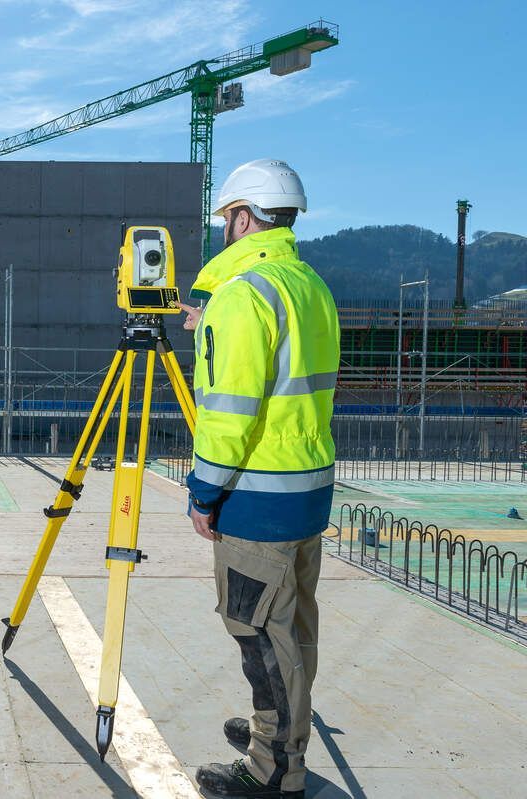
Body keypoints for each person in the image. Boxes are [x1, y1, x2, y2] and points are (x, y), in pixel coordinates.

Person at [184, 159, 340, 799]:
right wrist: (210, 328)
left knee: (260, 636)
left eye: (227, 218)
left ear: (244, 216)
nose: (225, 229)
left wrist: (204, 491)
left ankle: (273, 772)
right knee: (294, 625)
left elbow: (231, 410)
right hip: (306, 487)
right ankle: (276, 732)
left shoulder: (244, 294)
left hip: (257, 494)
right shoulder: (307, 285)